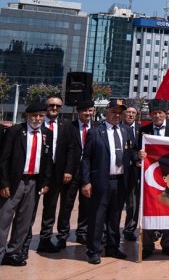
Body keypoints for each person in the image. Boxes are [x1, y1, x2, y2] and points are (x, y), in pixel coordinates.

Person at [81, 99, 141, 264]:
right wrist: (86, 181)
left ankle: (113, 247)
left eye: (119, 112)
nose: (116, 115)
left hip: (121, 181)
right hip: (101, 181)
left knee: (115, 217)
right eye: (113, 111)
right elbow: (86, 158)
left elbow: (133, 151)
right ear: (107, 112)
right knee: (97, 217)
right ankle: (93, 250)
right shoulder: (95, 132)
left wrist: (138, 158)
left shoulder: (126, 130)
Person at [0, 103, 53, 267]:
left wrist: (45, 182)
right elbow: (3, 159)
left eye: (41, 116)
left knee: (24, 221)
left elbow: (48, 160)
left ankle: (13, 252)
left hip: (33, 182)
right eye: (34, 115)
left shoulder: (47, 133)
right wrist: (4, 183)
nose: (37, 119)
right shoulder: (15, 131)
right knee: (4, 218)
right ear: (27, 116)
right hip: (15, 181)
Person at [140, 98, 169, 259]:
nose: (157, 116)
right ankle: (147, 245)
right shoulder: (144, 131)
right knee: (148, 211)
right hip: (150, 179)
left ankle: (167, 244)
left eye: (160, 113)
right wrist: (138, 157)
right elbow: (133, 152)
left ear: (165, 114)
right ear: (150, 115)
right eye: (154, 113)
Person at [25, 94, 65, 255]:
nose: (54, 108)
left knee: (50, 208)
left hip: (54, 173)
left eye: (57, 106)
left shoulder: (65, 125)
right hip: (35, 172)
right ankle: (24, 242)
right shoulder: (36, 124)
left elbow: (70, 149)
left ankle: (45, 239)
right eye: (51, 105)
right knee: (29, 209)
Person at [55, 100, 95, 249]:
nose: (87, 114)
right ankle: (62, 235)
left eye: (90, 111)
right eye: (85, 111)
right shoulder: (68, 127)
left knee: (86, 204)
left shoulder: (97, 128)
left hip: (88, 173)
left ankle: (82, 233)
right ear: (78, 112)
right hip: (71, 173)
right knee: (66, 205)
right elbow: (62, 150)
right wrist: (66, 170)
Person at [122, 100, 142, 242]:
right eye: (128, 112)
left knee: (133, 203)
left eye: (133, 113)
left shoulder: (142, 130)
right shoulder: (116, 127)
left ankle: (130, 229)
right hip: (118, 171)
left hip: (134, 172)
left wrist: (137, 159)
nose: (130, 115)